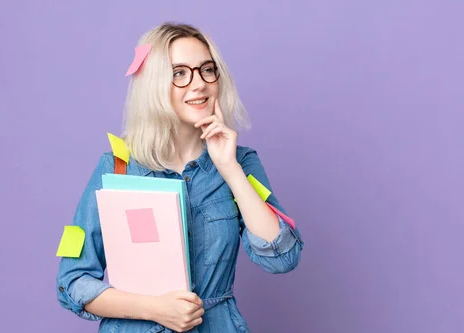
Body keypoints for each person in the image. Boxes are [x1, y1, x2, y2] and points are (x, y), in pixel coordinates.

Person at [56, 22, 304, 333]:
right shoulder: (116, 167)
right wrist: (155, 309)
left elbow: (283, 258)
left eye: (206, 70)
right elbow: (71, 282)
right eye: (179, 73)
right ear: (153, 85)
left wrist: (228, 168)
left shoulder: (241, 162)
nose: (199, 84)